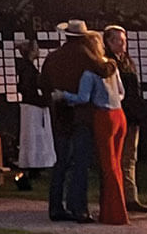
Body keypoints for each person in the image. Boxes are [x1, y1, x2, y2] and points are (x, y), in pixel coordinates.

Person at [55, 31, 128, 225]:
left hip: (104, 116)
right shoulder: (110, 66)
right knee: (117, 164)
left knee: (108, 166)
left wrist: (64, 96)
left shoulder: (89, 72)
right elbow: (121, 92)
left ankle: (114, 213)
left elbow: (83, 98)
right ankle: (115, 208)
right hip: (119, 114)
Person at [39, 20, 96, 223]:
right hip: (80, 114)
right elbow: (103, 70)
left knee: (61, 162)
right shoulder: (85, 55)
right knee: (80, 163)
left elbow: (42, 83)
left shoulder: (53, 57)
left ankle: (55, 207)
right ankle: (78, 208)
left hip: (60, 114)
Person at [102, 25, 147, 213]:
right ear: (108, 42)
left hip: (132, 115)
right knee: (117, 157)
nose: (122, 44)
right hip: (117, 113)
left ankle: (130, 196)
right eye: (118, 41)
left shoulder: (127, 62)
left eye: (124, 41)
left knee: (130, 157)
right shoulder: (107, 63)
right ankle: (119, 197)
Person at [13, 36, 57, 192]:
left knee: (35, 137)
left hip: (33, 106)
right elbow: (27, 88)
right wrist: (44, 99)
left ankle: (35, 165)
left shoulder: (27, 67)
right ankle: (32, 166)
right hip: (33, 107)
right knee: (33, 137)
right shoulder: (27, 69)